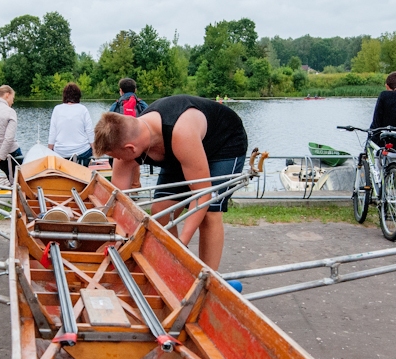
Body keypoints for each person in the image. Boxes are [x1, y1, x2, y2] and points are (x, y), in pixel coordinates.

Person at [93, 95, 248, 269]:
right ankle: (178, 266)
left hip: (222, 144)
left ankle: (209, 277)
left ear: (131, 148)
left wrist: (182, 241)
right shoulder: (127, 143)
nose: (118, 160)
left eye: (116, 156)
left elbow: (202, 195)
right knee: (160, 211)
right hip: (181, 152)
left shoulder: (181, 133)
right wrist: (115, 239)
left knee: (210, 213)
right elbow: (119, 202)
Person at [48, 82, 94, 166]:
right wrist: (94, 150)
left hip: (61, 153)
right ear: (78, 96)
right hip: (81, 152)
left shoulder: (57, 109)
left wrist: (49, 152)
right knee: (88, 151)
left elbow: (52, 133)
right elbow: (89, 131)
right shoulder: (83, 109)